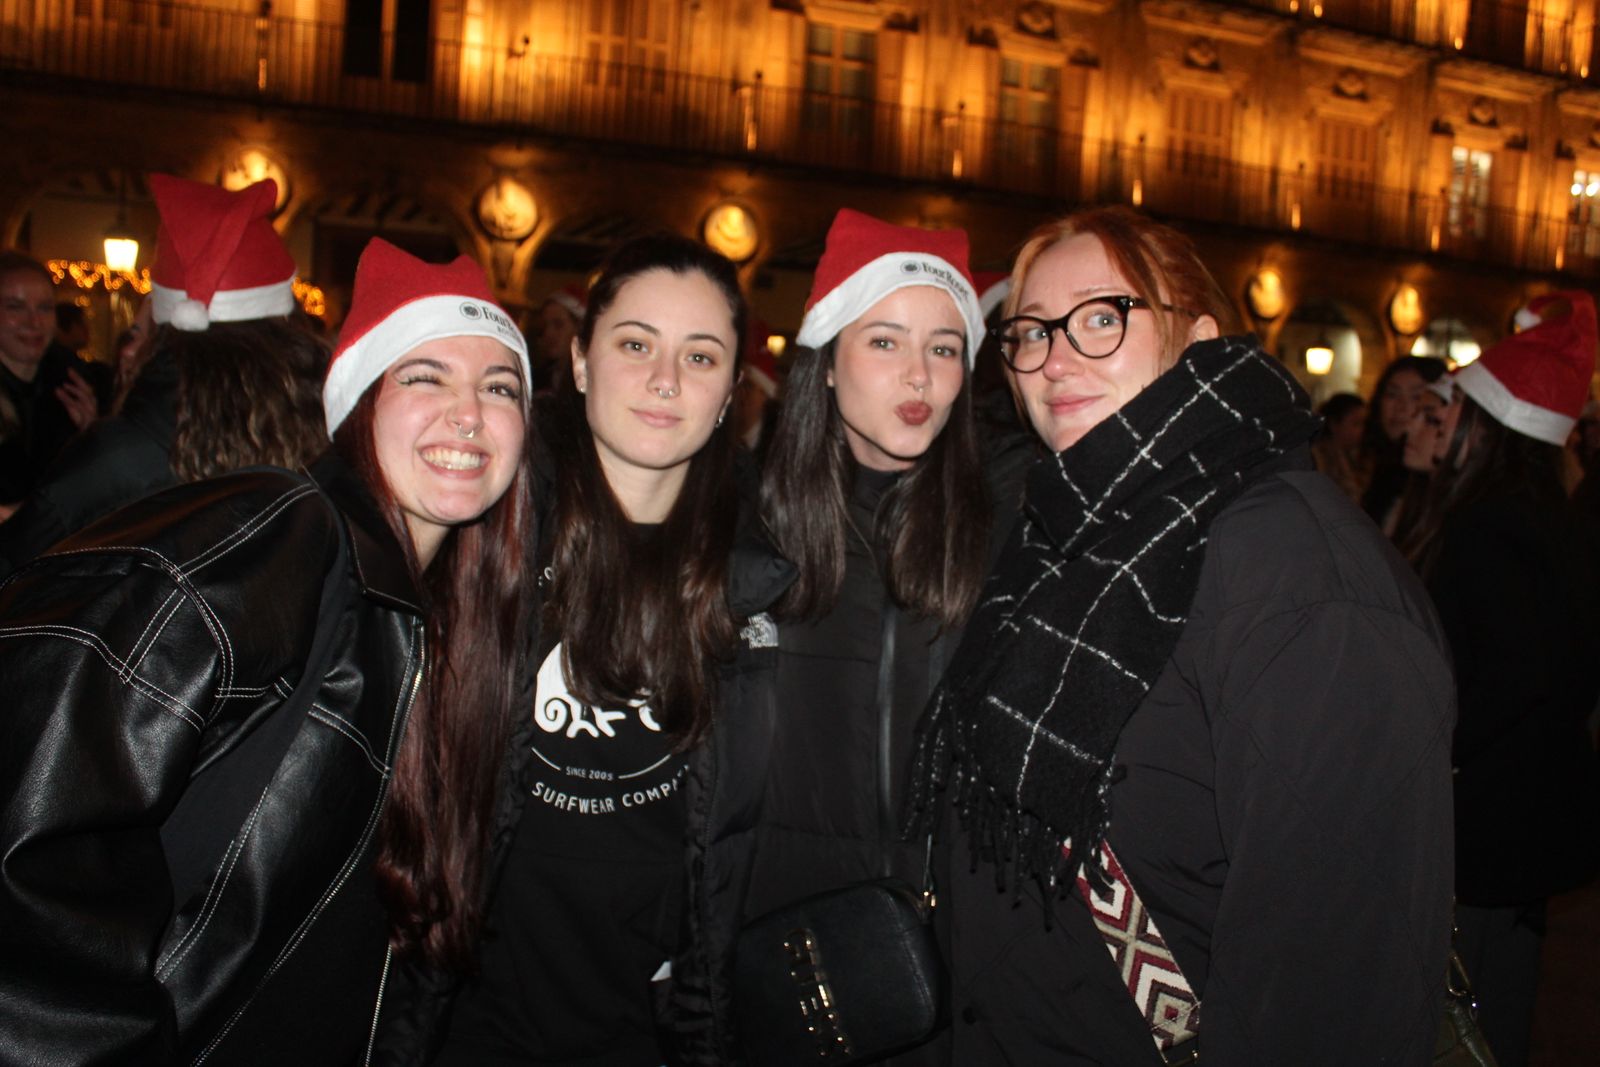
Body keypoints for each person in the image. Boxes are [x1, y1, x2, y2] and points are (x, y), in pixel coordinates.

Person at [907, 206, 1456, 1065]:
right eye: (1029, 332)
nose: (1055, 360)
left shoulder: (1302, 581)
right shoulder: (1065, 531)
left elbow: (1338, 989)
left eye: (1099, 318)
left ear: (1197, 336)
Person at [0, 237, 536, 1065]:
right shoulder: (283, 530)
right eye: (425, 375)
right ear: (359, 401)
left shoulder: (456, 616)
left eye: (499, 386)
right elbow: (40, 775)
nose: (469, 412)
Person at [376, 234, 753, 1067]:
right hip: (468, 1016)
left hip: (650, 1030)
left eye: (701, 355)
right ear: (579, 360)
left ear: (731, 391)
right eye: (634, 344)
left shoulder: (763, 576)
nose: (665, 379)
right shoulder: (482, 526)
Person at [670, 208, 1030, 1065]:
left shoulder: (1008, 515)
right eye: (886, 342)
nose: (921, 374)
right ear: (826, 362)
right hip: (778, 952)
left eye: (945, 347)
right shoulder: (741, 526)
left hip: (954, 968)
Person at [1401, 292, 1600, 1067]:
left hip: (1492, 812)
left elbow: (1517, 670)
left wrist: (1441, 743)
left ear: (1489, 426)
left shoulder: (1491, 525)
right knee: (1500, 987)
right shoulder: (1554, 514)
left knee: (1476, 1001)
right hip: (1531, 805)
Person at [0, 174, 328, 578]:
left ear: (168, 337)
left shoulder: (123, 452)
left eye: (143, 333)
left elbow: (14, 564)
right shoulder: (322, 436)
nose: (129, 350)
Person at [0, 252, 103, 503]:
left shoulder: (74, 382)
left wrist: (93, 436)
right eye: (16, 307)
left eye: (45, 308)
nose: (34, 322)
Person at [1361, 353, 1447, 526]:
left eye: (1416, 397)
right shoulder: (1381, 469)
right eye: (1392, 394)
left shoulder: (1437, 485)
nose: (1401, 407)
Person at [1310, 390, 1367, 501]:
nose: (1362, 430)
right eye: (1356, 423)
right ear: (1334, 423)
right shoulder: (1316, 457)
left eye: (1363, 423)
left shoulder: (1355, 457)